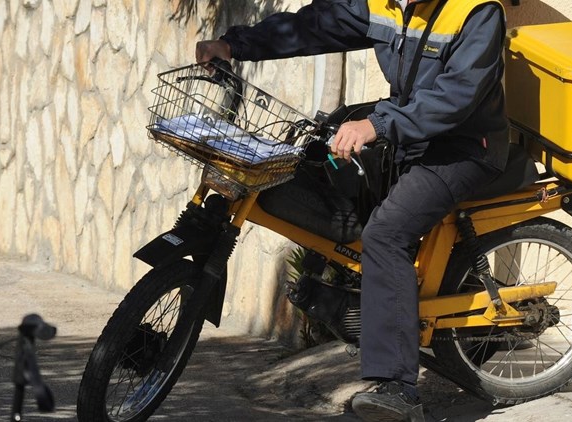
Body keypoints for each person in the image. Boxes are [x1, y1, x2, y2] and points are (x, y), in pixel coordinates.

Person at [196, 1, 509, 420]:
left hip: (465, 146)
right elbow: (315, 25)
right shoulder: (386, 5)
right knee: (315, 162)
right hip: (411, 136)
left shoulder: (477, 11)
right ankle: (355, 301)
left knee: (386, 233)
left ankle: (398, 388)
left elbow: (456, 97)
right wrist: (233, 46)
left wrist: (378, 125)